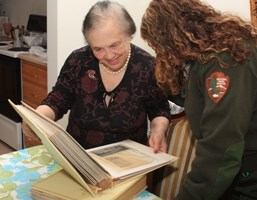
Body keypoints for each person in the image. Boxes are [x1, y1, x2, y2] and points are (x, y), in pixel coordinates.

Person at [141, 0, 257, 199]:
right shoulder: (201, 59)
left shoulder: (225, 60)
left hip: (248, 178)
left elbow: (221, 146)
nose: (161, 53)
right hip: (235, 172)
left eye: (159, 45)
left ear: (172, 36)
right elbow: (190, 97)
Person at [22, 0, 171, 153]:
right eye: (98, 49)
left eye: (114, 45)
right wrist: (38, 118)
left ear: (130, 35)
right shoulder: (78, 60)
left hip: (128, 161)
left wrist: (158, 129)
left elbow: (159, 109)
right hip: (80, 157)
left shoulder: (148, 66)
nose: (109, 55)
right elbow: (57, 99)